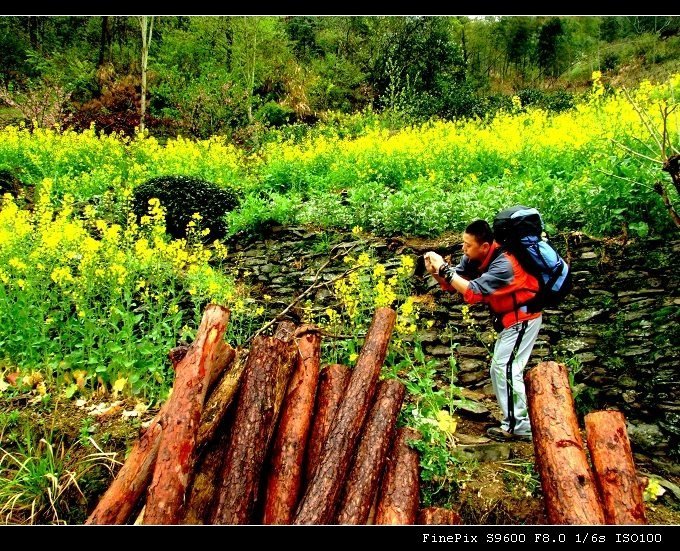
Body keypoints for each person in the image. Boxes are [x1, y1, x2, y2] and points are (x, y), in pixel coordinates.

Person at [424, 220, 542, 442]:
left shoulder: (505, 265)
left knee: (505, 368)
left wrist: (444, 269)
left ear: (486, 246)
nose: (463, 249)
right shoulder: (474, 258)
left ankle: (520, 426)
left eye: (468, 245)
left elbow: (473, 293)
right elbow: (454, 282)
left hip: (523, 318)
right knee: (501, 368)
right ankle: (515, 422)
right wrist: (436, 272)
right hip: (509, 321)